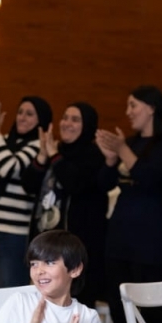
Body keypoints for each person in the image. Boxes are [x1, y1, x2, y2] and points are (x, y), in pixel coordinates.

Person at [96, 86, 162, 323]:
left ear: (152, 108)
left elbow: (150, 179)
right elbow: (104, 185)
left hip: (150, 238)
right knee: (118, 306)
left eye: (133, 105)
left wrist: (122, 150)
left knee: (152, 312)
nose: (128, 112)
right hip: (119, 235)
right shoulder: (131, 143)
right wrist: (110, 159)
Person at [21, 102, 108, 308]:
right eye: (65, 117)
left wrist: (54, 156)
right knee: (43, 305)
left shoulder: (94, 155)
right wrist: (43, 155)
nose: (67, 123)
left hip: (76, 248)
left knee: (75, 305)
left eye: (75, 119)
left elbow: (74, 183)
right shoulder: (55, 150)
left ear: (87, 125)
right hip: (46, 244)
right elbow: (29, 185)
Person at [0, 96, 53, 288]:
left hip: (13, 235)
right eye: (20, 112)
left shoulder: (38, 146)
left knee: (6, 292)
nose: (22, 117)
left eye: (29, 114)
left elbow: (10, 168)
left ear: (41, 120)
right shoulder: (3, 142)